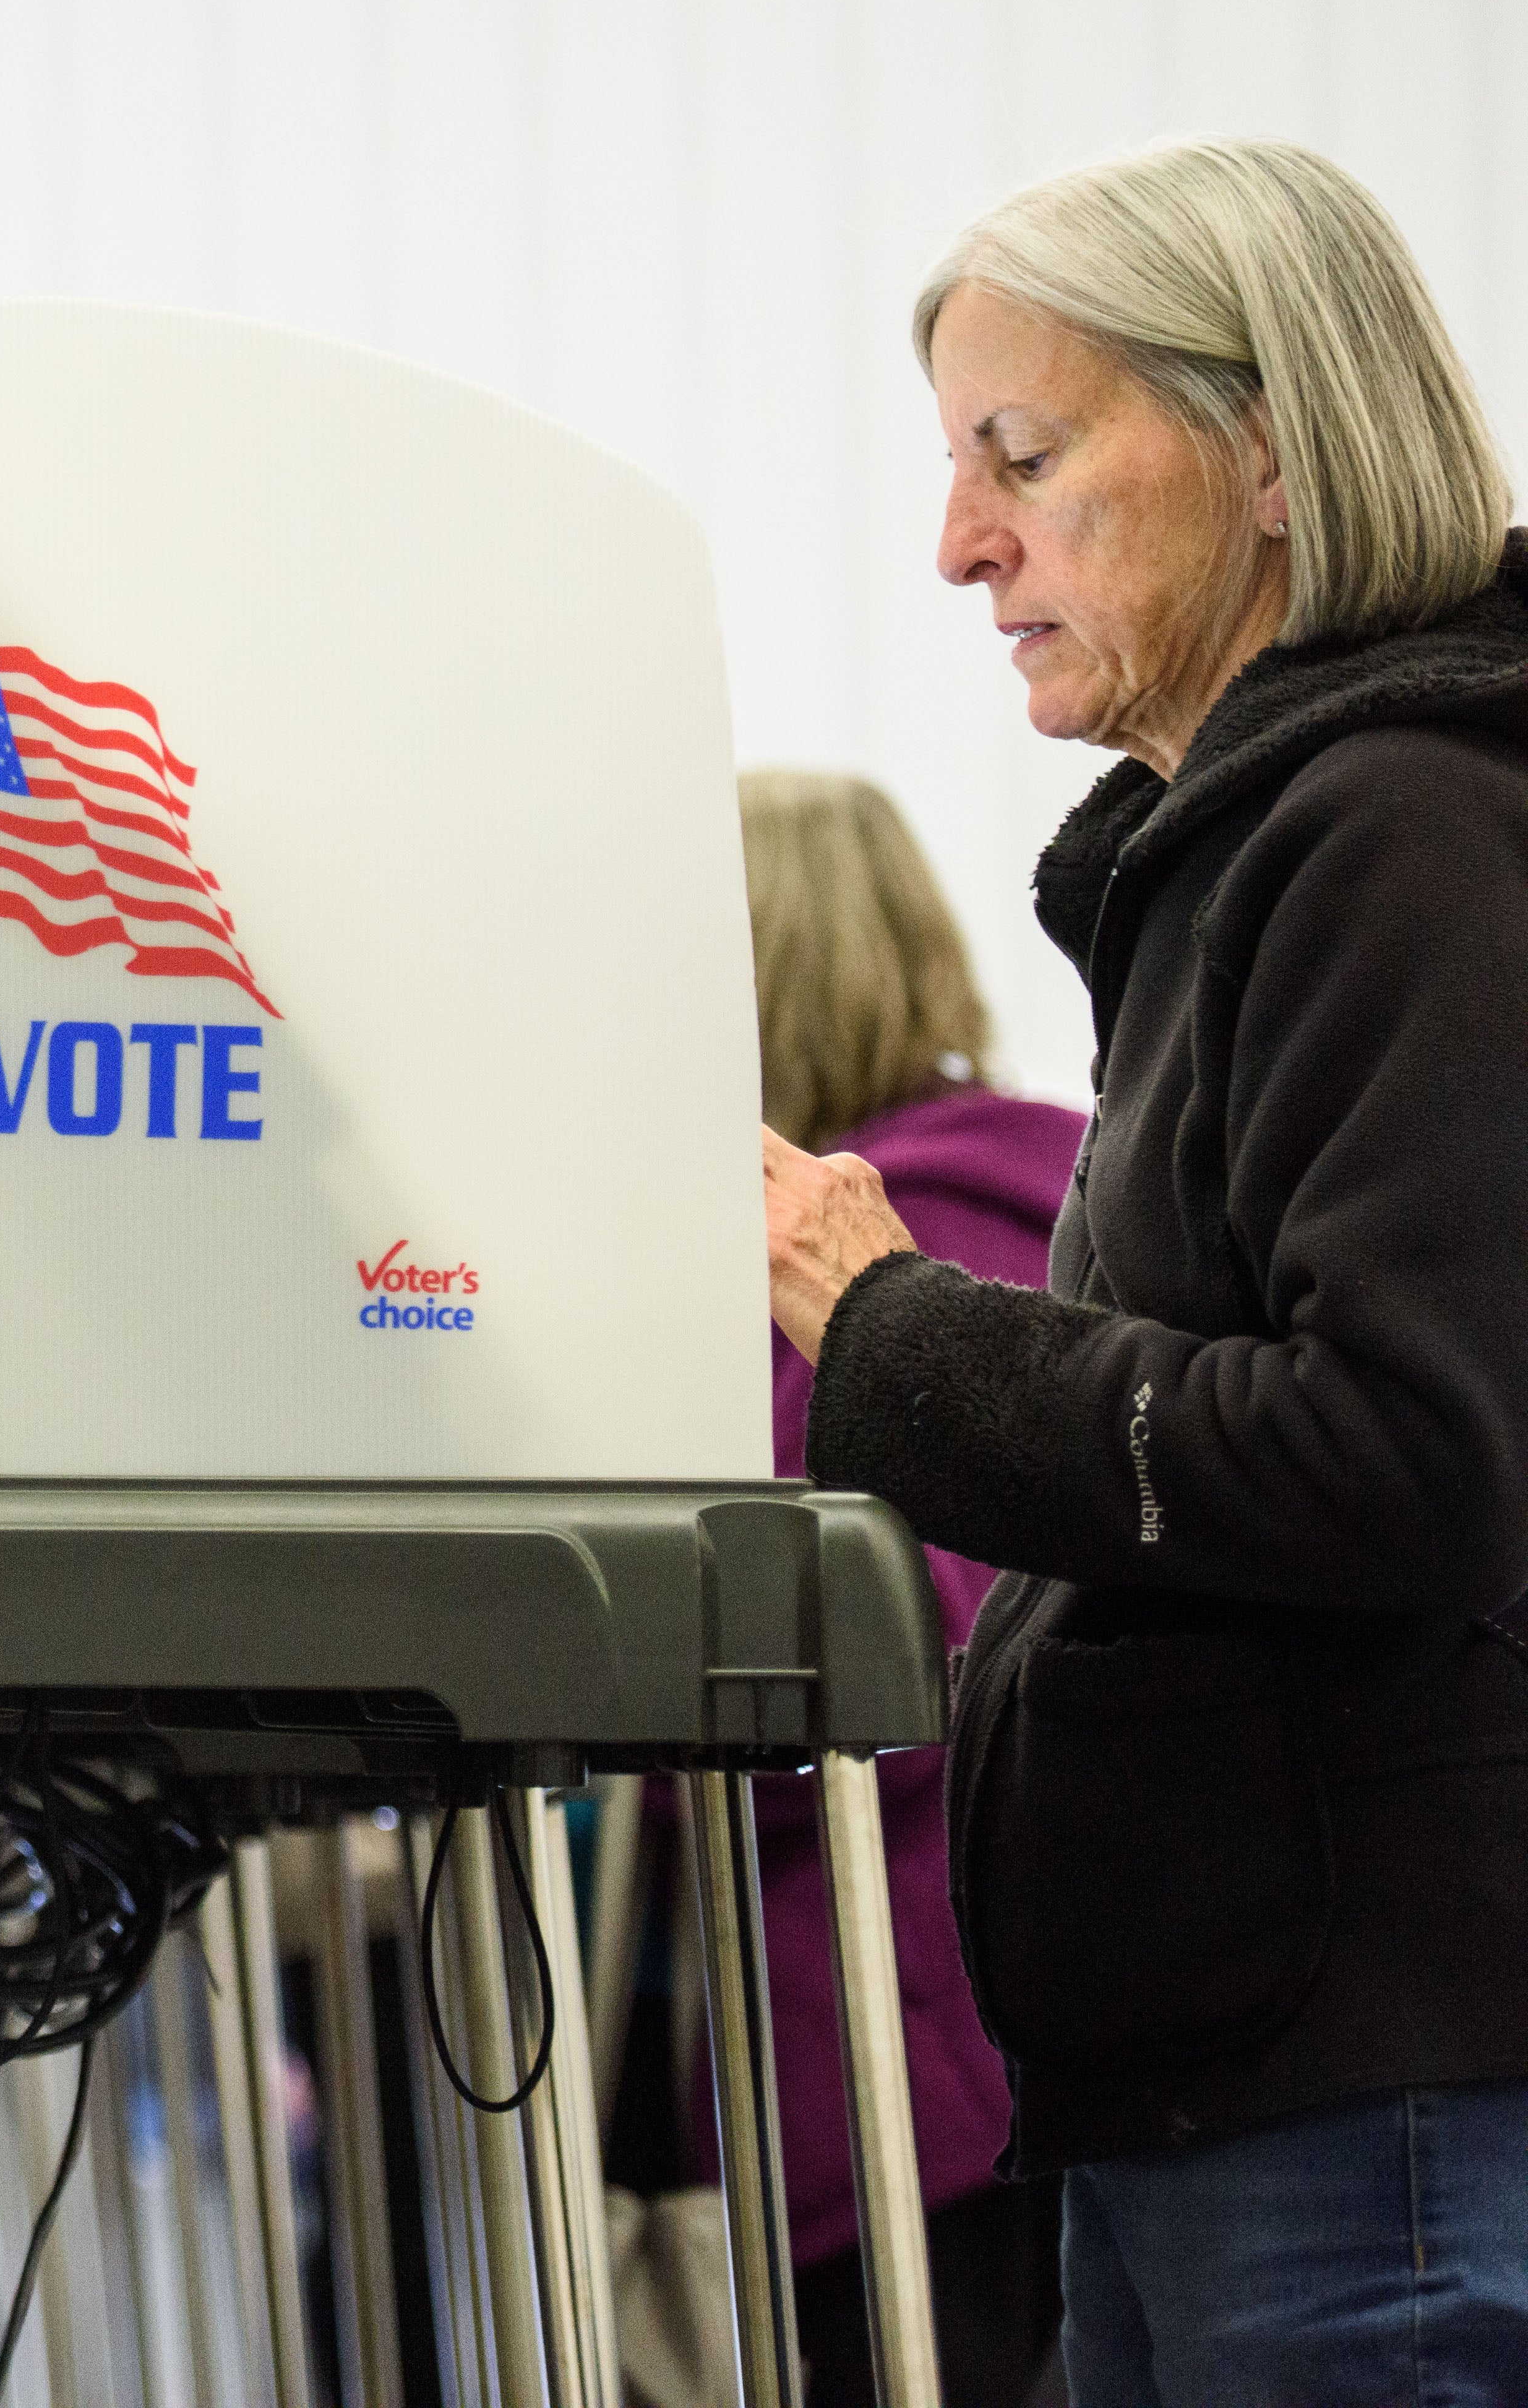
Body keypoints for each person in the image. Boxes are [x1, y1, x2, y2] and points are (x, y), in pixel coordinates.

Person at [762, 138, 1528, 2404]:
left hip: (1362, 2128)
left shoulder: (1404, 834)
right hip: (1240, 2104)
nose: (960, 543)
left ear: (1271, 448)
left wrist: (891, 1330)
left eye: (1026, 455)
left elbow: (1404, 1454)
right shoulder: (1265, 857)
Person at [736, 770, 1079, 2408]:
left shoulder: (852, 1276)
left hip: (903, 2061)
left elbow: (879, 1663)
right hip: (1051, 2040)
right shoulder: (1057, 1202)